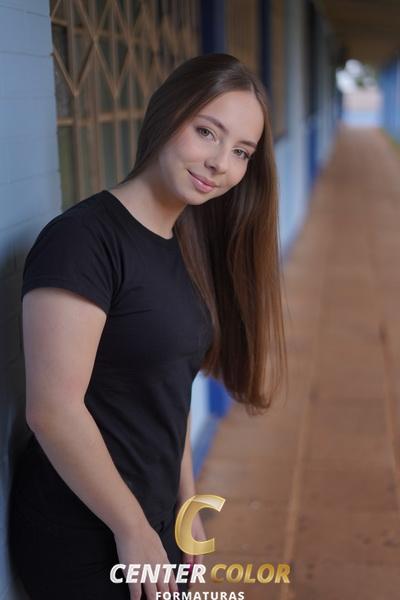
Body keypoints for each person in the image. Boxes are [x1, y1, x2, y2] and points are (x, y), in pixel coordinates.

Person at [8, 53, 287, 600]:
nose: (220, 163)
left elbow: (167, 395)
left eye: (240, 152)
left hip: (152, 518)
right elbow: (53, 411)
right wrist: (132, 528)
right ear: (167, 114)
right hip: (85, 530)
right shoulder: (82, 241)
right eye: (207, 132)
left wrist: (187, 507)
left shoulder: (187, 244)